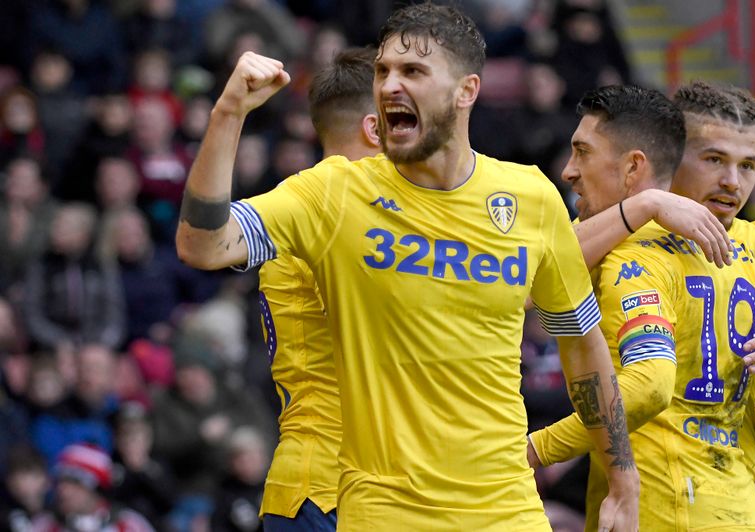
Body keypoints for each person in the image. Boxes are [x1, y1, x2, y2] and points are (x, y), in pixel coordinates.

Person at [175, 4, 637, 531]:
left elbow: (580, 342)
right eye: (382, 71)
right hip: (377, 510)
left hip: (508, 511)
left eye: (412, 72)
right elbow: (203, 245)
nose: (391, 84)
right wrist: (229, 113)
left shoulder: (530, 197)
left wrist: (623, 479)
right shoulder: (335, 194)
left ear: (466, 91)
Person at [528, 82, 755, 530]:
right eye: (714, 159)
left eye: (748, 165)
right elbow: (535, 283)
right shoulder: (622, 228)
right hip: (713, 511)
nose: (733, 181)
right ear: (672, 157)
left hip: (679, 510)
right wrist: (647, 205)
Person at [257, 46, 380, 531]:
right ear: (377, 125)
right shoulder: (334, 209)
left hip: (331, 484)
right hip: (326, 489)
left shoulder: (322, 204)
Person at [31, 443, 155, 532]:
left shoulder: (128, 525)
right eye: (60, 482)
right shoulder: (45, 525)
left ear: (97, 487)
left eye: (75, 483)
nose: (63, 491)